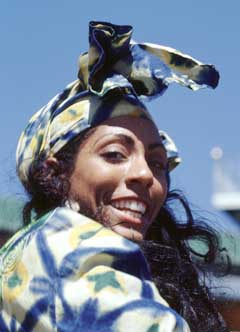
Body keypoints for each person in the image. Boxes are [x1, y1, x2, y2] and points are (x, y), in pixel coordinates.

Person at [0, 21, 228, 331]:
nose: (145, 174)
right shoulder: (70, 253)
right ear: (55, 173)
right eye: (114, 154)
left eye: (157, 162)